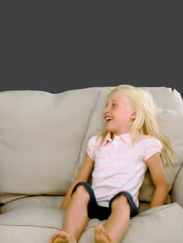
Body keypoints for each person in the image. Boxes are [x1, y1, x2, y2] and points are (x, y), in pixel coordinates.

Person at [50, 85, 173, 243]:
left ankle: (109, 239)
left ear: (133, 115)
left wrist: (151, 217)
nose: (106, 110)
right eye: (106, 105)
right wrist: (62, 210)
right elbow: (80, 179)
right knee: (81, 189)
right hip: (94, 205)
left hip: (121, 207)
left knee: (122, 200)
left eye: (113, 105)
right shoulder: (97, 142)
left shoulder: (146, 144)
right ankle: (69, 237)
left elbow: (161, 185)